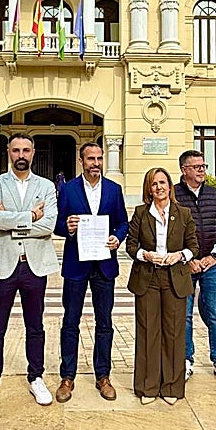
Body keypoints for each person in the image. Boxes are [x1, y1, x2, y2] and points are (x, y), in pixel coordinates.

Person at [0, 132, 58, 412]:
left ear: (33, 152)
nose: (21, 155)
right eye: (15, 150)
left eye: (26, 150)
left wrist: (12, 221)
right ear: (8, 153)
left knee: (35, 326)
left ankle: (36, 377)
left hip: (34, 266)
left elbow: (49, 225)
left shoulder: (46, 186)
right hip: (2, 266)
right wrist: (29, 216)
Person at [54, 142, 129, 403]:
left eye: (99, 158)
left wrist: (117, 238)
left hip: (104, 265)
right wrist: (69, 227)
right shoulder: (68, 189)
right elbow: (58, 225)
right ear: (81, 160)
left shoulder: (114, 189)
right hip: (76, 264)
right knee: (70, 322)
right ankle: (67, 377)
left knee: (104, 323)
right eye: (90, 159)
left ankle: (103, 375)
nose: (95, 163)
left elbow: (122, 223)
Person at [126, 167, 197, 405]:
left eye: (163, 182)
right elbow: (131, 245)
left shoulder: (183, 213)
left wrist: (180, 256)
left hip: (175, 277)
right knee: (148, 332)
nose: (159, 187)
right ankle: (147, 386)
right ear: (149, 188)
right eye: (154, 184)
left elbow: (193, 247)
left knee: (174, 333)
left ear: (170, 186)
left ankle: (172, 387)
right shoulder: (140, 213)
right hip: (148, 277)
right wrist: (145, 255)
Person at [173, 149, 216, 386]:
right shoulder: (174, 195)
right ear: (184, 170)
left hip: (211, 263)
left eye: (203, 166)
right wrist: (186, 258)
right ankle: (186, 361)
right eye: (197, 166)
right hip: (185, 265)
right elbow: (173, 233)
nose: (202, 170)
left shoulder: (214, 194)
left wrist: (214, 255)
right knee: (185, 315)